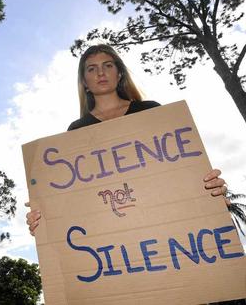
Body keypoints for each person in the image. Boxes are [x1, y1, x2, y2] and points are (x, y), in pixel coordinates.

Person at [25, 44, 228, 235]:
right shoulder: (77, 131)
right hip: (114, 236)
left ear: (119, 73)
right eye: (92, 69)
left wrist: (208, 189)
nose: (101, 73)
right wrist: (44, 217)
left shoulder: (151, 111)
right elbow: (77, 200)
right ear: (84, 82)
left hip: (166, 224)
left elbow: (180, 171)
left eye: (108, 66)